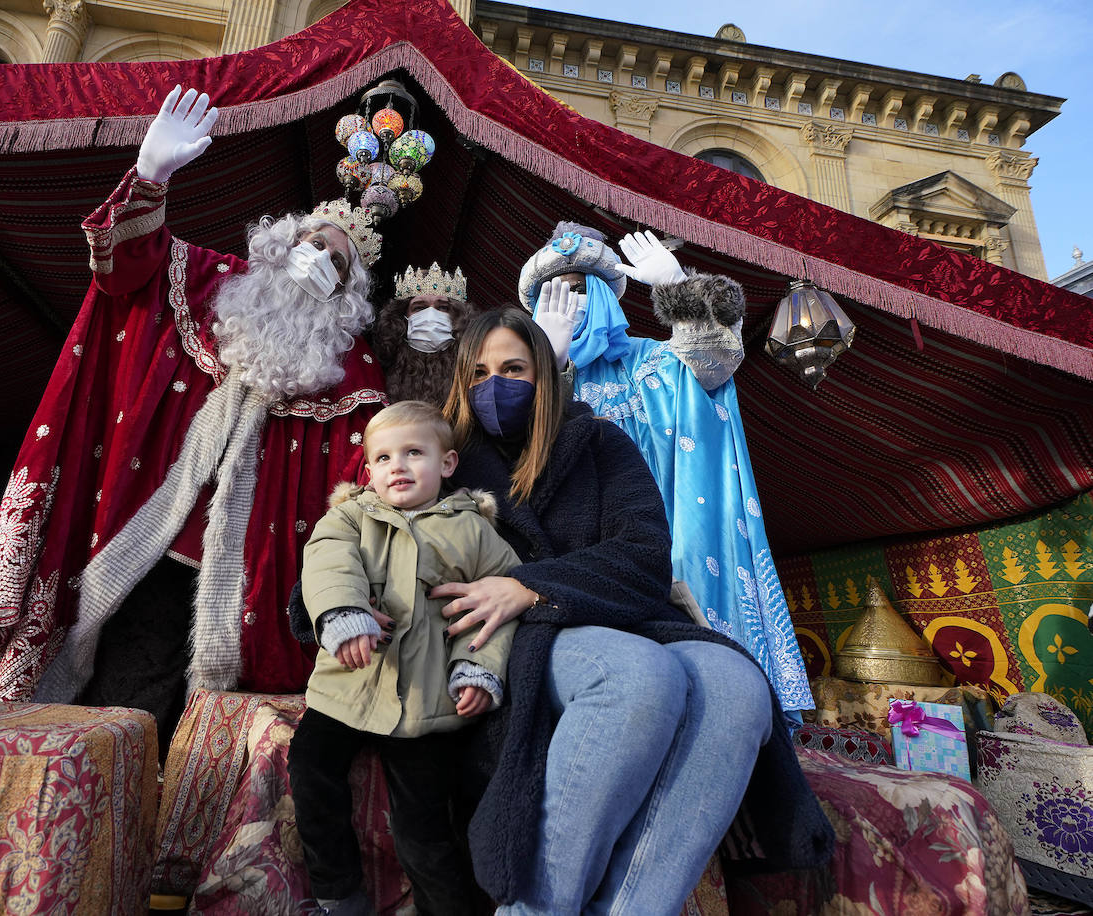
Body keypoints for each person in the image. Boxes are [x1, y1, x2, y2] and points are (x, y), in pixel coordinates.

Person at [0, 85, 388, 740]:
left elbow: (371, 470)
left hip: (252, 590)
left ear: (347, 299)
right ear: (281, 241)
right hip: (145, 557)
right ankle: (87, 811)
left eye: (337, 264)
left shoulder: (350, 369)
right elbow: (124, 270)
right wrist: (150, 177)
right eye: (314, 242)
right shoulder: (208, 282)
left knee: (209, 729)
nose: (319, 260)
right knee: (124, 707)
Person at [433, 308, 833, 913]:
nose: (497, 385)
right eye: (481, 373)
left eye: (513, 368)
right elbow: (367, 528)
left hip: (613, 611)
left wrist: (529, 584)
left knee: (737, 687)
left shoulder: (600, 443)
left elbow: (643, 554)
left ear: (543, 374)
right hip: (511, 639)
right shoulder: (442, 458)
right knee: (638, 678)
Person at [520, 222, 814, 714]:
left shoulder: (653, 361)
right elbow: (514, 457)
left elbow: (712, 362)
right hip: (580, 548)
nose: (569, 304)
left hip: (668, 540)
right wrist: (546, 369)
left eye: (580, 289)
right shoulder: (527, 377)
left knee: (698, 689)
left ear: (604, 293)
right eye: (553, 294)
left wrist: (680, 292)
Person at [288, 400, 520, 916]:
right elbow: (326, 561)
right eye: (384, 457)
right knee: (310, 770)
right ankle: (337, 894)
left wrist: (477, 668)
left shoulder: (475, 532)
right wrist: (345, 613)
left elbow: (491, 611)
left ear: (447, 463)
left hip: (425, 702)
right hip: (347, 689)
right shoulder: (350, 517)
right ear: (369, 471)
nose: (398, 466)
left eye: (414, 453)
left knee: (425, 829)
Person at [370, 262, 475, 406]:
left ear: (458, 317)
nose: (431, 315)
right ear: (402, 318)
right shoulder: (378, 372)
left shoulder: (473, 373)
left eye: (443, 307)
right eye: (419, 308)